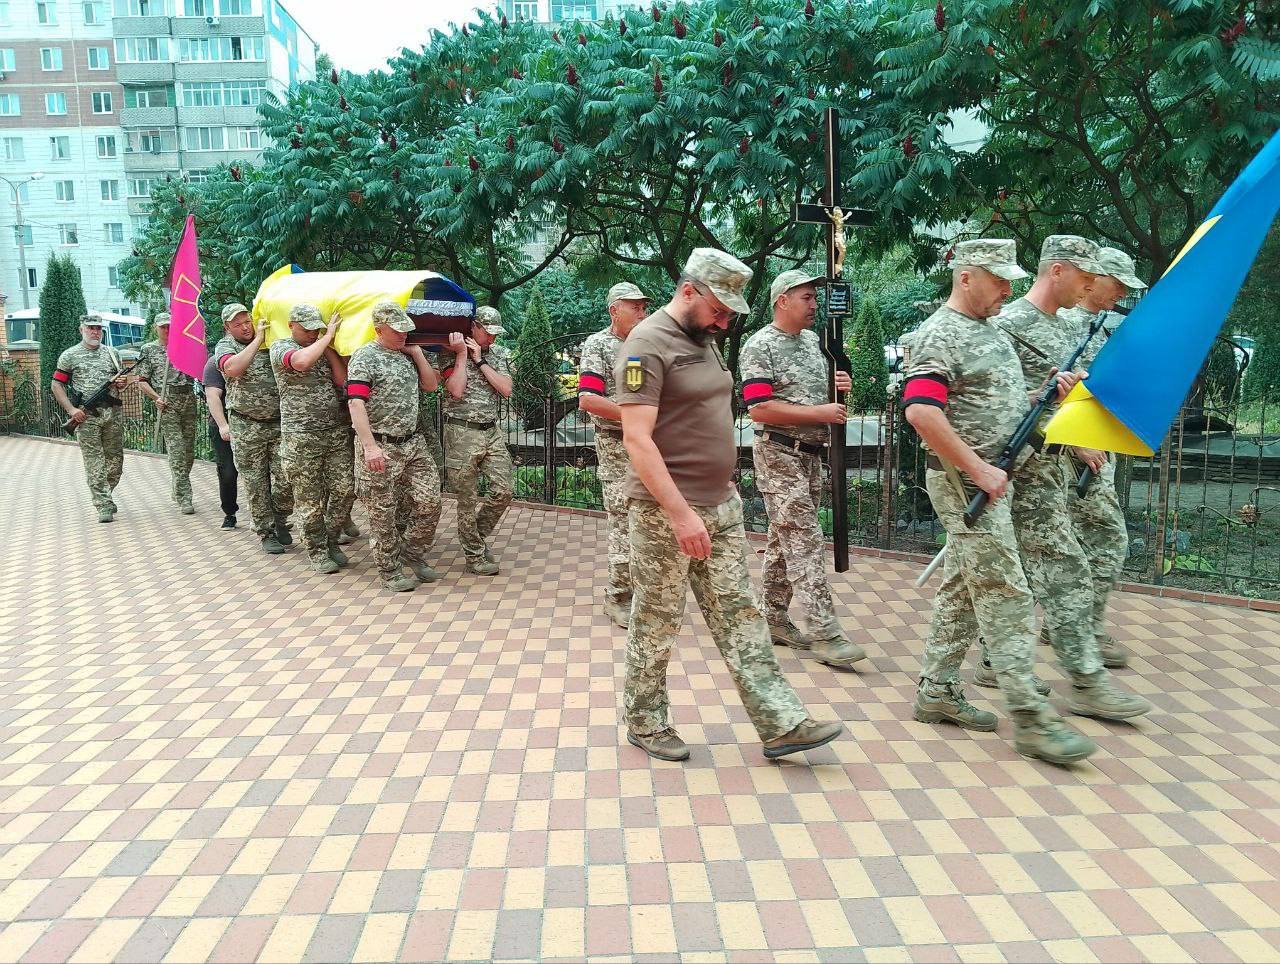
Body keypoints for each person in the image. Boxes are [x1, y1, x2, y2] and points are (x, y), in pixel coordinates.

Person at [617, 247, 845, 763]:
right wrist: (680, 513)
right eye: (718, 309)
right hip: (665, 512)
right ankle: (645, 721)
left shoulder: (704, 339)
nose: (724, 322)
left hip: (719, 502)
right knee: (657, 618)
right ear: (689, 291)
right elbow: (637, 439)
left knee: (741, 614)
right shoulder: (645, 344)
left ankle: (782, 723)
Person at [903, 239, 1099, 765]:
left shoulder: (988, 331)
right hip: (966, 485)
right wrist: (978, 468)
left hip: (993, 481)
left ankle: (937, 690)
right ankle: (1031, 717)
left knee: (965, 587)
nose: (1007, 290)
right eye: (998, 279)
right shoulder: (940, 334)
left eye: (1011, 280)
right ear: (966, 276)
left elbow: (996, 402)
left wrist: (1044, 395)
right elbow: (921, 412)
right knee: (1005, 588)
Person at [994, 236, 1150, 721]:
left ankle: (960, 677)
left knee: (999, 578)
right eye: (1087, 277)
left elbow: (1068, 398)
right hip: (1010, 469)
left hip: (1048, 470)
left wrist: (1074, 426)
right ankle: (1084, 680)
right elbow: (994, 404)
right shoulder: (1006, 325)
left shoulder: (1066, 328)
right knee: (1057, 571)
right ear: (1058, 271)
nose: (1092, 287)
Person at [740, 269, 865, 668]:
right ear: (782, 300)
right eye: (806, 297)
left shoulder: (814, 342)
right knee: (805, 539)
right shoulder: (760, 345)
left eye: (814, 297)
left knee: (785, 539)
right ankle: (825, 633)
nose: (814, 304)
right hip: (779, 452)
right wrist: (819, 413)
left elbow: (824, 394)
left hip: (812, 454)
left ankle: (773, 618)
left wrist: (840, 383)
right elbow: (758, 407)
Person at [1052, 246, 1147, 668]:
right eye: (1118, 284)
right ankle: (1082, 630)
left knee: (1069, 543)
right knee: (1106, 538)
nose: (1122, 293)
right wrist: (1077, 441)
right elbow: (1046, 391)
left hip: (1095, 452)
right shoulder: (1063, 324)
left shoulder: (1108, 327)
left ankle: (1066, 624)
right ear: (1095, 278)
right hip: (1070, 454)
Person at [347, 301, 443, 592]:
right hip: (381, 445)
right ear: (379, 329)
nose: (403, 334)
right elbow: (355, 403)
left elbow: (431, 386)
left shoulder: (407, 354)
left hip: (413, 442)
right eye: (397, 330)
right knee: (383, 513)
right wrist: (369, 447)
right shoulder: (365, 357)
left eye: (406, 329)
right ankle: (390, 571)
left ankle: (411, 552)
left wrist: (417, 353)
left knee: (430, 502)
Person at [577, 281, 651, 628]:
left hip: (647, 443)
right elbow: (589, 399)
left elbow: (640, 392)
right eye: (634, 306)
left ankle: (645, 591)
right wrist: (636, 417)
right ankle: (619, 596)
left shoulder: (643, 346)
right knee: (622, 519)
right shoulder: (599, 345)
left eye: (643, 307)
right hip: (616, 444)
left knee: (650, 518)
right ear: (614, 310)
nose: (642, 312)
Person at [270, 304, 356, 574]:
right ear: (291, 325)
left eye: (316, 328)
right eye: (306, 328)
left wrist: (328, 347)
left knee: (345, 489)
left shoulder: (321, 348)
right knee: (309, 499)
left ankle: (330, 540)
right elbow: (301, 362)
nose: (312, 333)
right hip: (301, 435)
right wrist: (327, 337)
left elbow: (342, 380)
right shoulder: (281, 347)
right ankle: (317, 551)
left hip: (334, 431)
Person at [213, 303, 294, 554]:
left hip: (278, 423)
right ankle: (266, 532)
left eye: (247, 321)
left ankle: (280, 519)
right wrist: (258, 340)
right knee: (256, 483)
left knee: (286, 478)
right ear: (227, 327)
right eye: (237, 324)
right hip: (246, 425)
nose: (245, 327)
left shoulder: (273, 340)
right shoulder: (225, 346)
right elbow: (233, 369)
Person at [440, 306, 515, 575]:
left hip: (491, 432)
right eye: (487, 332)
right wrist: (463, 354)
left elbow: (506, 389)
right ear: (474, 326)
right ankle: (474, 556)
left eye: (496, 333)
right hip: (461, 432)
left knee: (504, 490)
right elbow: (456, 390)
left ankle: (476, 538)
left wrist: (481, 361)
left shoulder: (499, 353)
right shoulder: (450, 351)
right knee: (467, 499)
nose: (492, 338)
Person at [50, 314, 127, 523]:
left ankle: (105, 494)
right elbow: (56, 384)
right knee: (95, 462)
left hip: (112, 414)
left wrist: (122, 383)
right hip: (86, 417)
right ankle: (103, 505)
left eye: (98, 328)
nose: (95, 332)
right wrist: (71, 410)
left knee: (116, 462)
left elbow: (121, 382)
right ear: (81, 329)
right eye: (90, 327)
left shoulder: (112, 353)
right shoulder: (70, 355)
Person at [134, 313, 197, 515]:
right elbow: (141, 381)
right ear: (156, 328)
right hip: (167, 402)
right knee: (177, 451)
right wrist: (156, 398)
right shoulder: (149, 349)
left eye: (170, 326)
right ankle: (185, 497)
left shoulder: (185, 345)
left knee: (188, 452)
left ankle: (177, 487)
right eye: (163, 326)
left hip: (188, 399)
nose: (167, 330)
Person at [202, 353, 239, 529]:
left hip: (255, 424)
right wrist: (223, 425)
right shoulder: (215, 362)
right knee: (228, 471)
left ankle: (272, 516)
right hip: (224, 425)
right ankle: (229, 512)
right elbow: (212, 396)